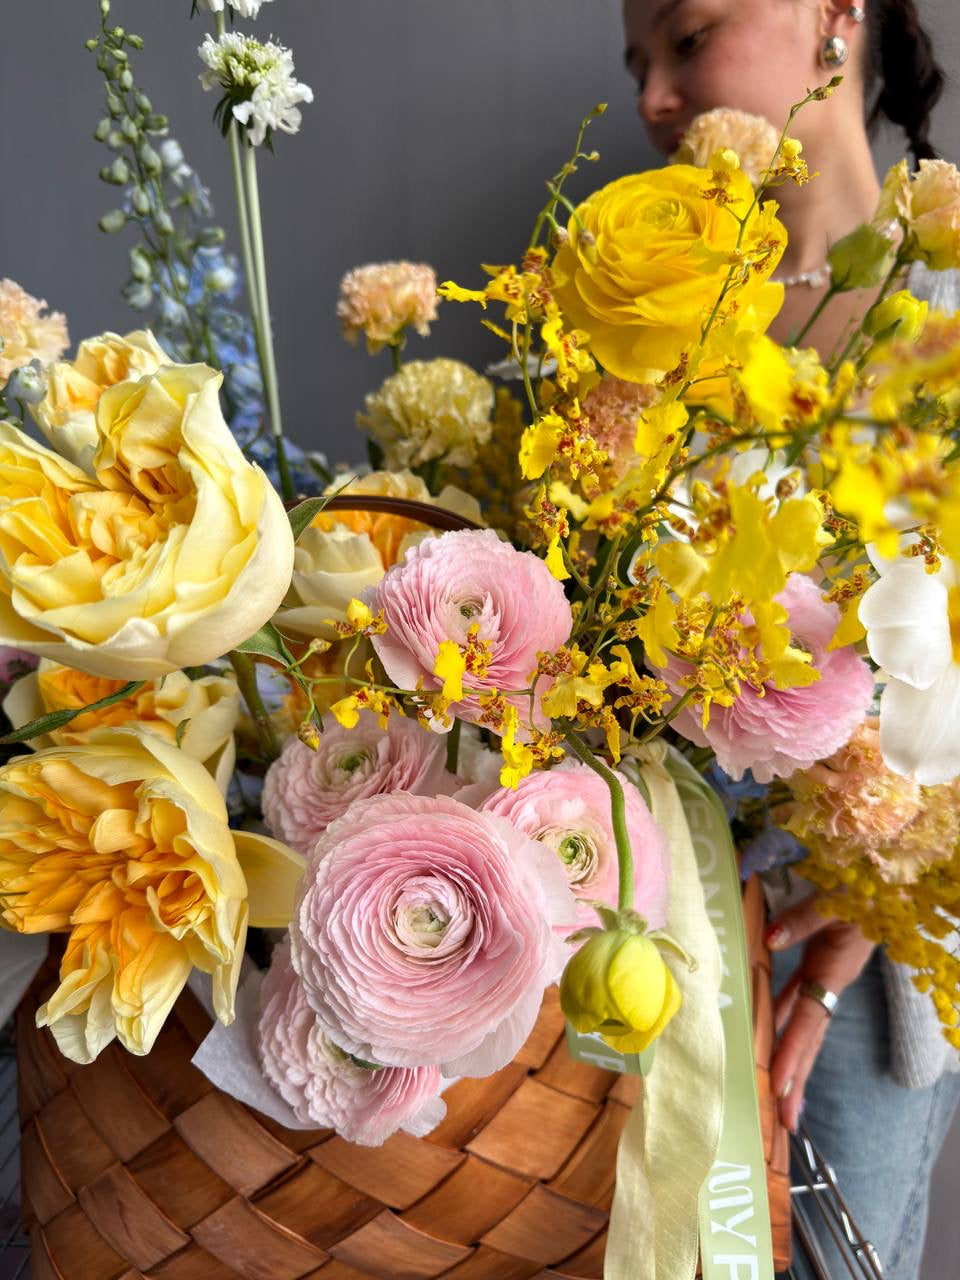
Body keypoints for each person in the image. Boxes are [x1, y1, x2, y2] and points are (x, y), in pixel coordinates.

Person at [621, 2, 960, 1277]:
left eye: (687, 36)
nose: (656, 93)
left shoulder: (947, 295)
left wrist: (843, 941)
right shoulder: (662, 314)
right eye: (636, 60)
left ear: (833, 15)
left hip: (867, 964)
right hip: (656, 925)